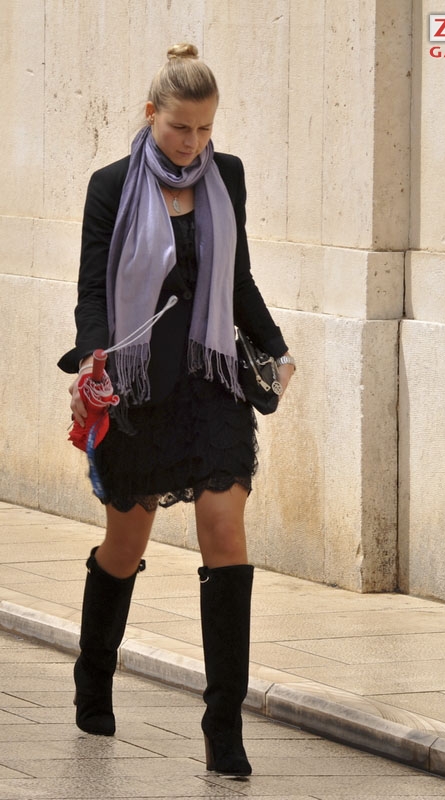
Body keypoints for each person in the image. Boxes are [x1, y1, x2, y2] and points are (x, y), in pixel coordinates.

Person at [57, 43, 295, 777]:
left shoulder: (227, 177)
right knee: (125, 545)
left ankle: (224, 727)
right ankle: (94, 674)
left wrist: (276, 347)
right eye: (180, 128)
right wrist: (93, 357)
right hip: (138, 391)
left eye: (205, 128)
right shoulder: (111, 186)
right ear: (150, 114)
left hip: (211, 382)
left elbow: (238, 275)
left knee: (225, 531)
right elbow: (92, 287)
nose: (193, 143)